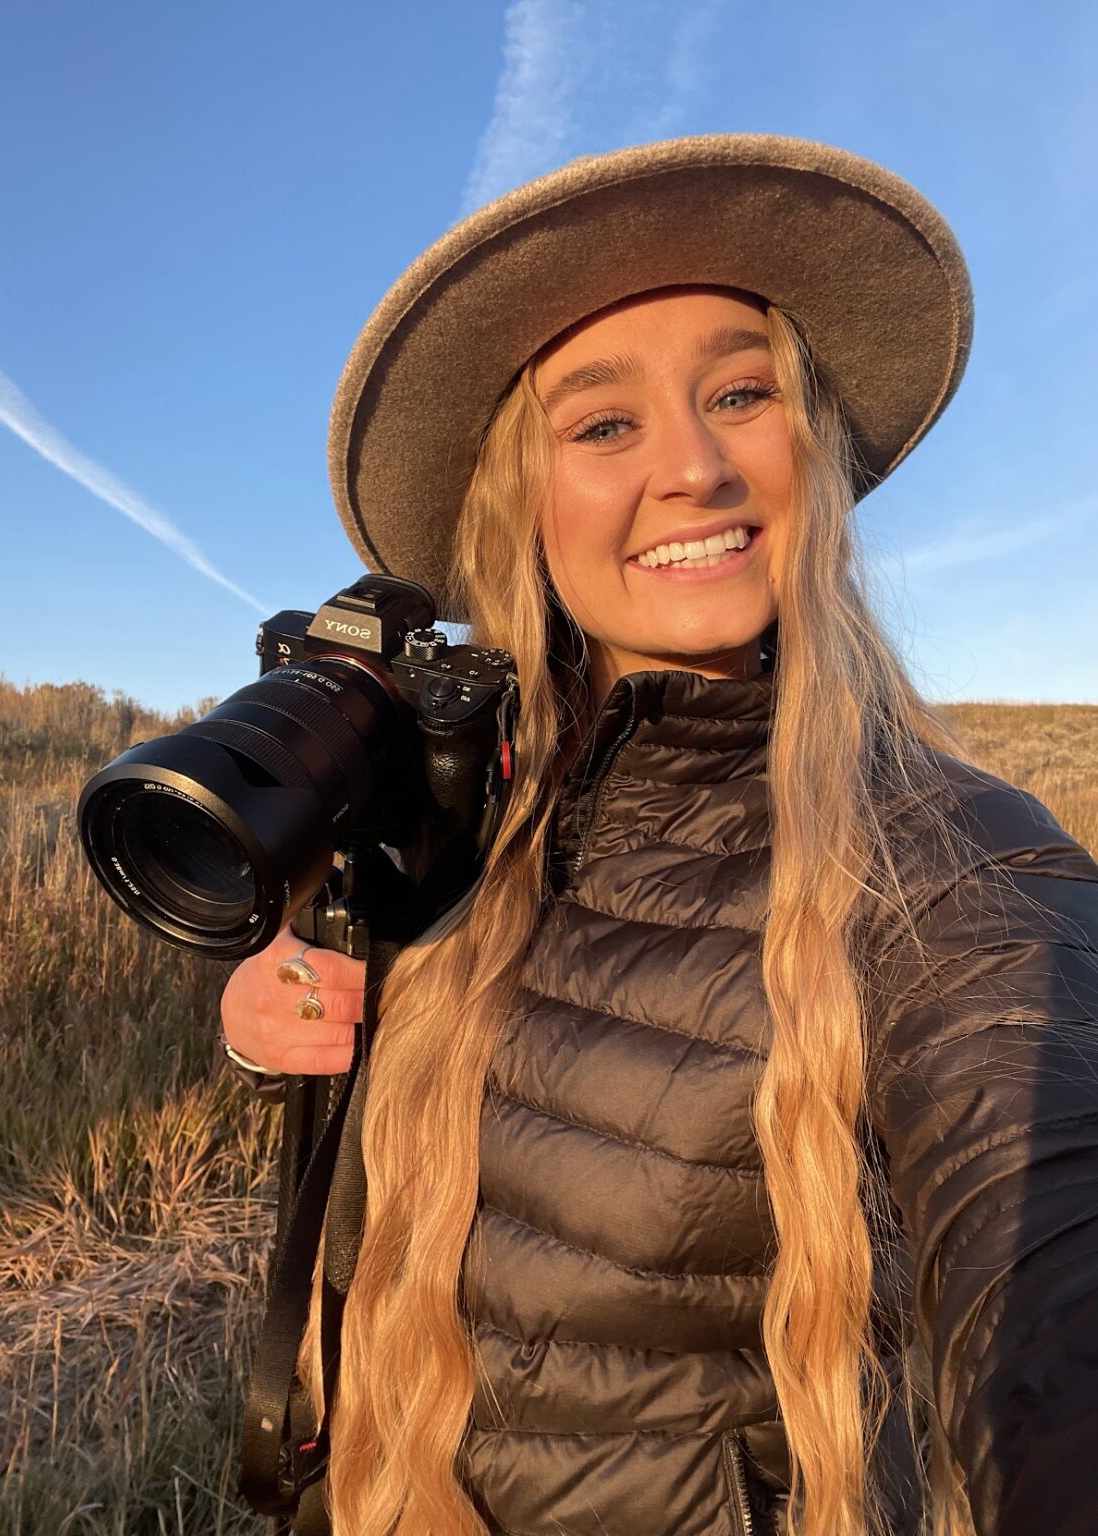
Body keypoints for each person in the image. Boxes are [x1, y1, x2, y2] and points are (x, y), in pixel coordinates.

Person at [218, 137, 1098, 1536]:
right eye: (604, 424)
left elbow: (1043, 1228)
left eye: (742, 394)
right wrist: (283, 1018)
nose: (696, 467)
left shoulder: (944, 855)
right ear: (524, 502)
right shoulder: (475, 815)